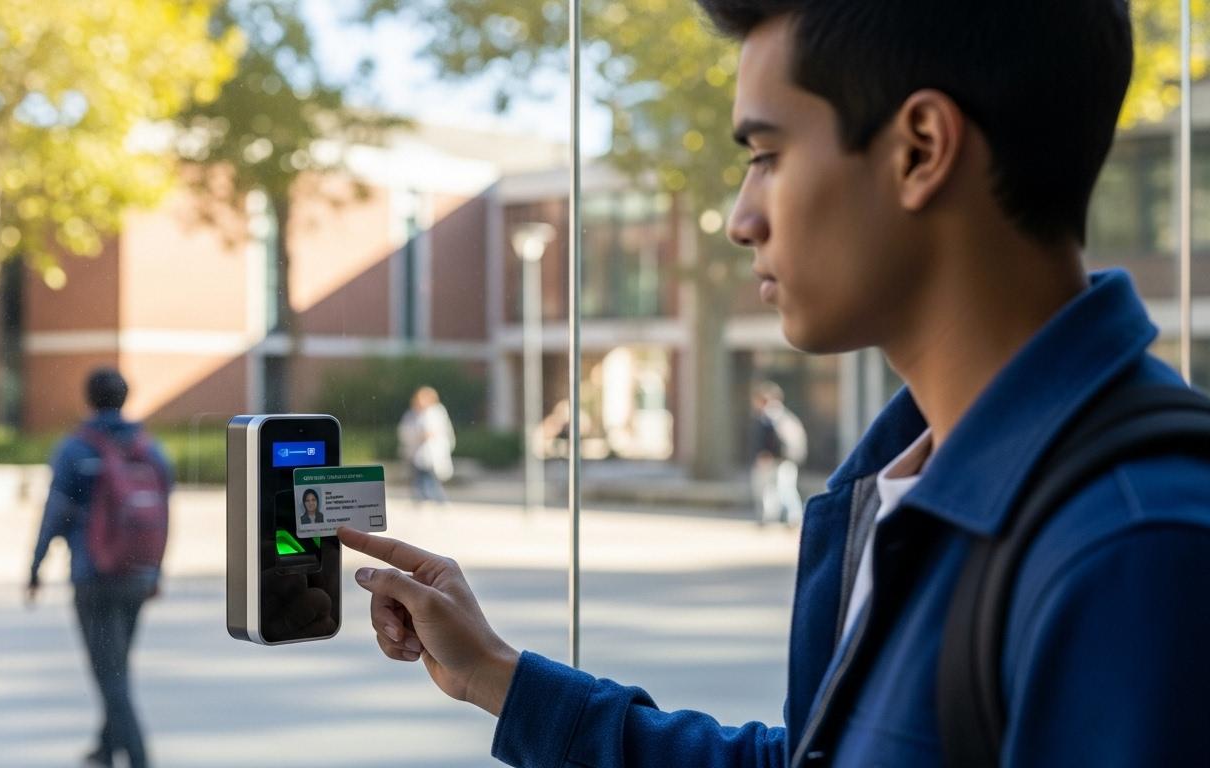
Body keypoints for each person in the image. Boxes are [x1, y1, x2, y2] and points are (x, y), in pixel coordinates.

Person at [340, 2, 1210, 766]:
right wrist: (499, 677)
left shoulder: (1135, 553)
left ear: (921, 149)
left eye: (766, 154)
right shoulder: (907, 485)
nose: (740, 219)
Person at [28, 369, 172, 768]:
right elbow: (163, 512)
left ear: (88, 399)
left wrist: (35, 567)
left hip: (94, 575)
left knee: (110, 676)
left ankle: (139, 758)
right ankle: (106, 749)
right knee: (118, 667)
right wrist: (157, 570)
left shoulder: (76, 449)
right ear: (125, 398)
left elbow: (54, 514)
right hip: (139, 573)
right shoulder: (150, 448)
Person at [750, 382, 806, 526]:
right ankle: (784, 516)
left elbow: (770, 440)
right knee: (780, 489)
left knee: (778, 488)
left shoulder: (772, 417)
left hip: (777, 459)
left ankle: (783, 517)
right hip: (785, 459)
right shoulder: (786, 416)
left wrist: (766, 454)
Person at [396, 386, 455, 504]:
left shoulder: (436, 412)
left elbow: (436, 431)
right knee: (419, 478)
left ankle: (436, 499)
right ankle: (422, 499)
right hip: (415, 453)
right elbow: (404, 430)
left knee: (429, 478)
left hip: (430, 453)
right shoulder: (412, 414)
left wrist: (424, 434)